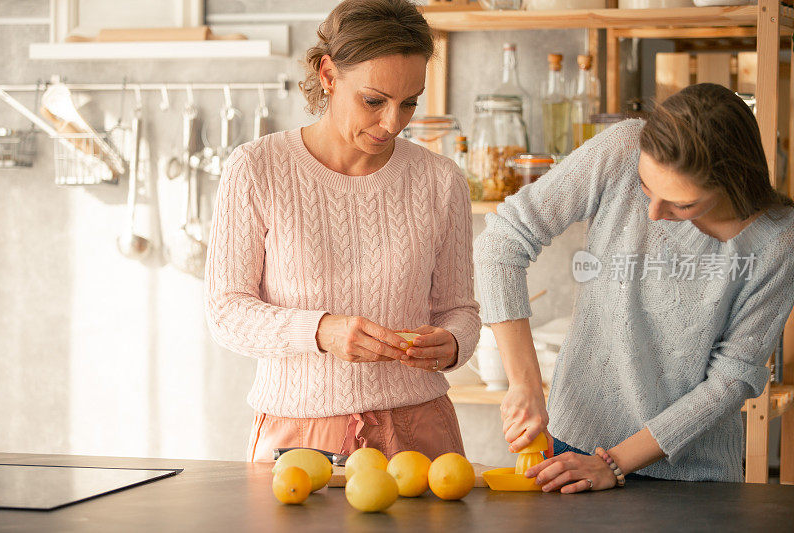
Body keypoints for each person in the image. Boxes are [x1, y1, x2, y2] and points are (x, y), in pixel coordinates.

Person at [475, 83, 794, 492]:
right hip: (575, 446)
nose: (653, 213)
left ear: (733, 184)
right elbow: (501, 241)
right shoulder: (623, 147)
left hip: (697, 476)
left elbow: (731, 379)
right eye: (645, 187)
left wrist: (615, 464)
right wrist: (524, 383)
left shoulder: (777, 241)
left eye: (681, 204)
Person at [204, 0, 480, 462]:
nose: (393, 124)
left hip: (420, 429)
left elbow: (460, 310)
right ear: (328, 75)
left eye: (409, 102)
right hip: (299, 436)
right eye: (374, 100)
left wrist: (451, 343)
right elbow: (225, 313)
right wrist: (321, 331)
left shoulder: (440, 180)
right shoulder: (257, 169)